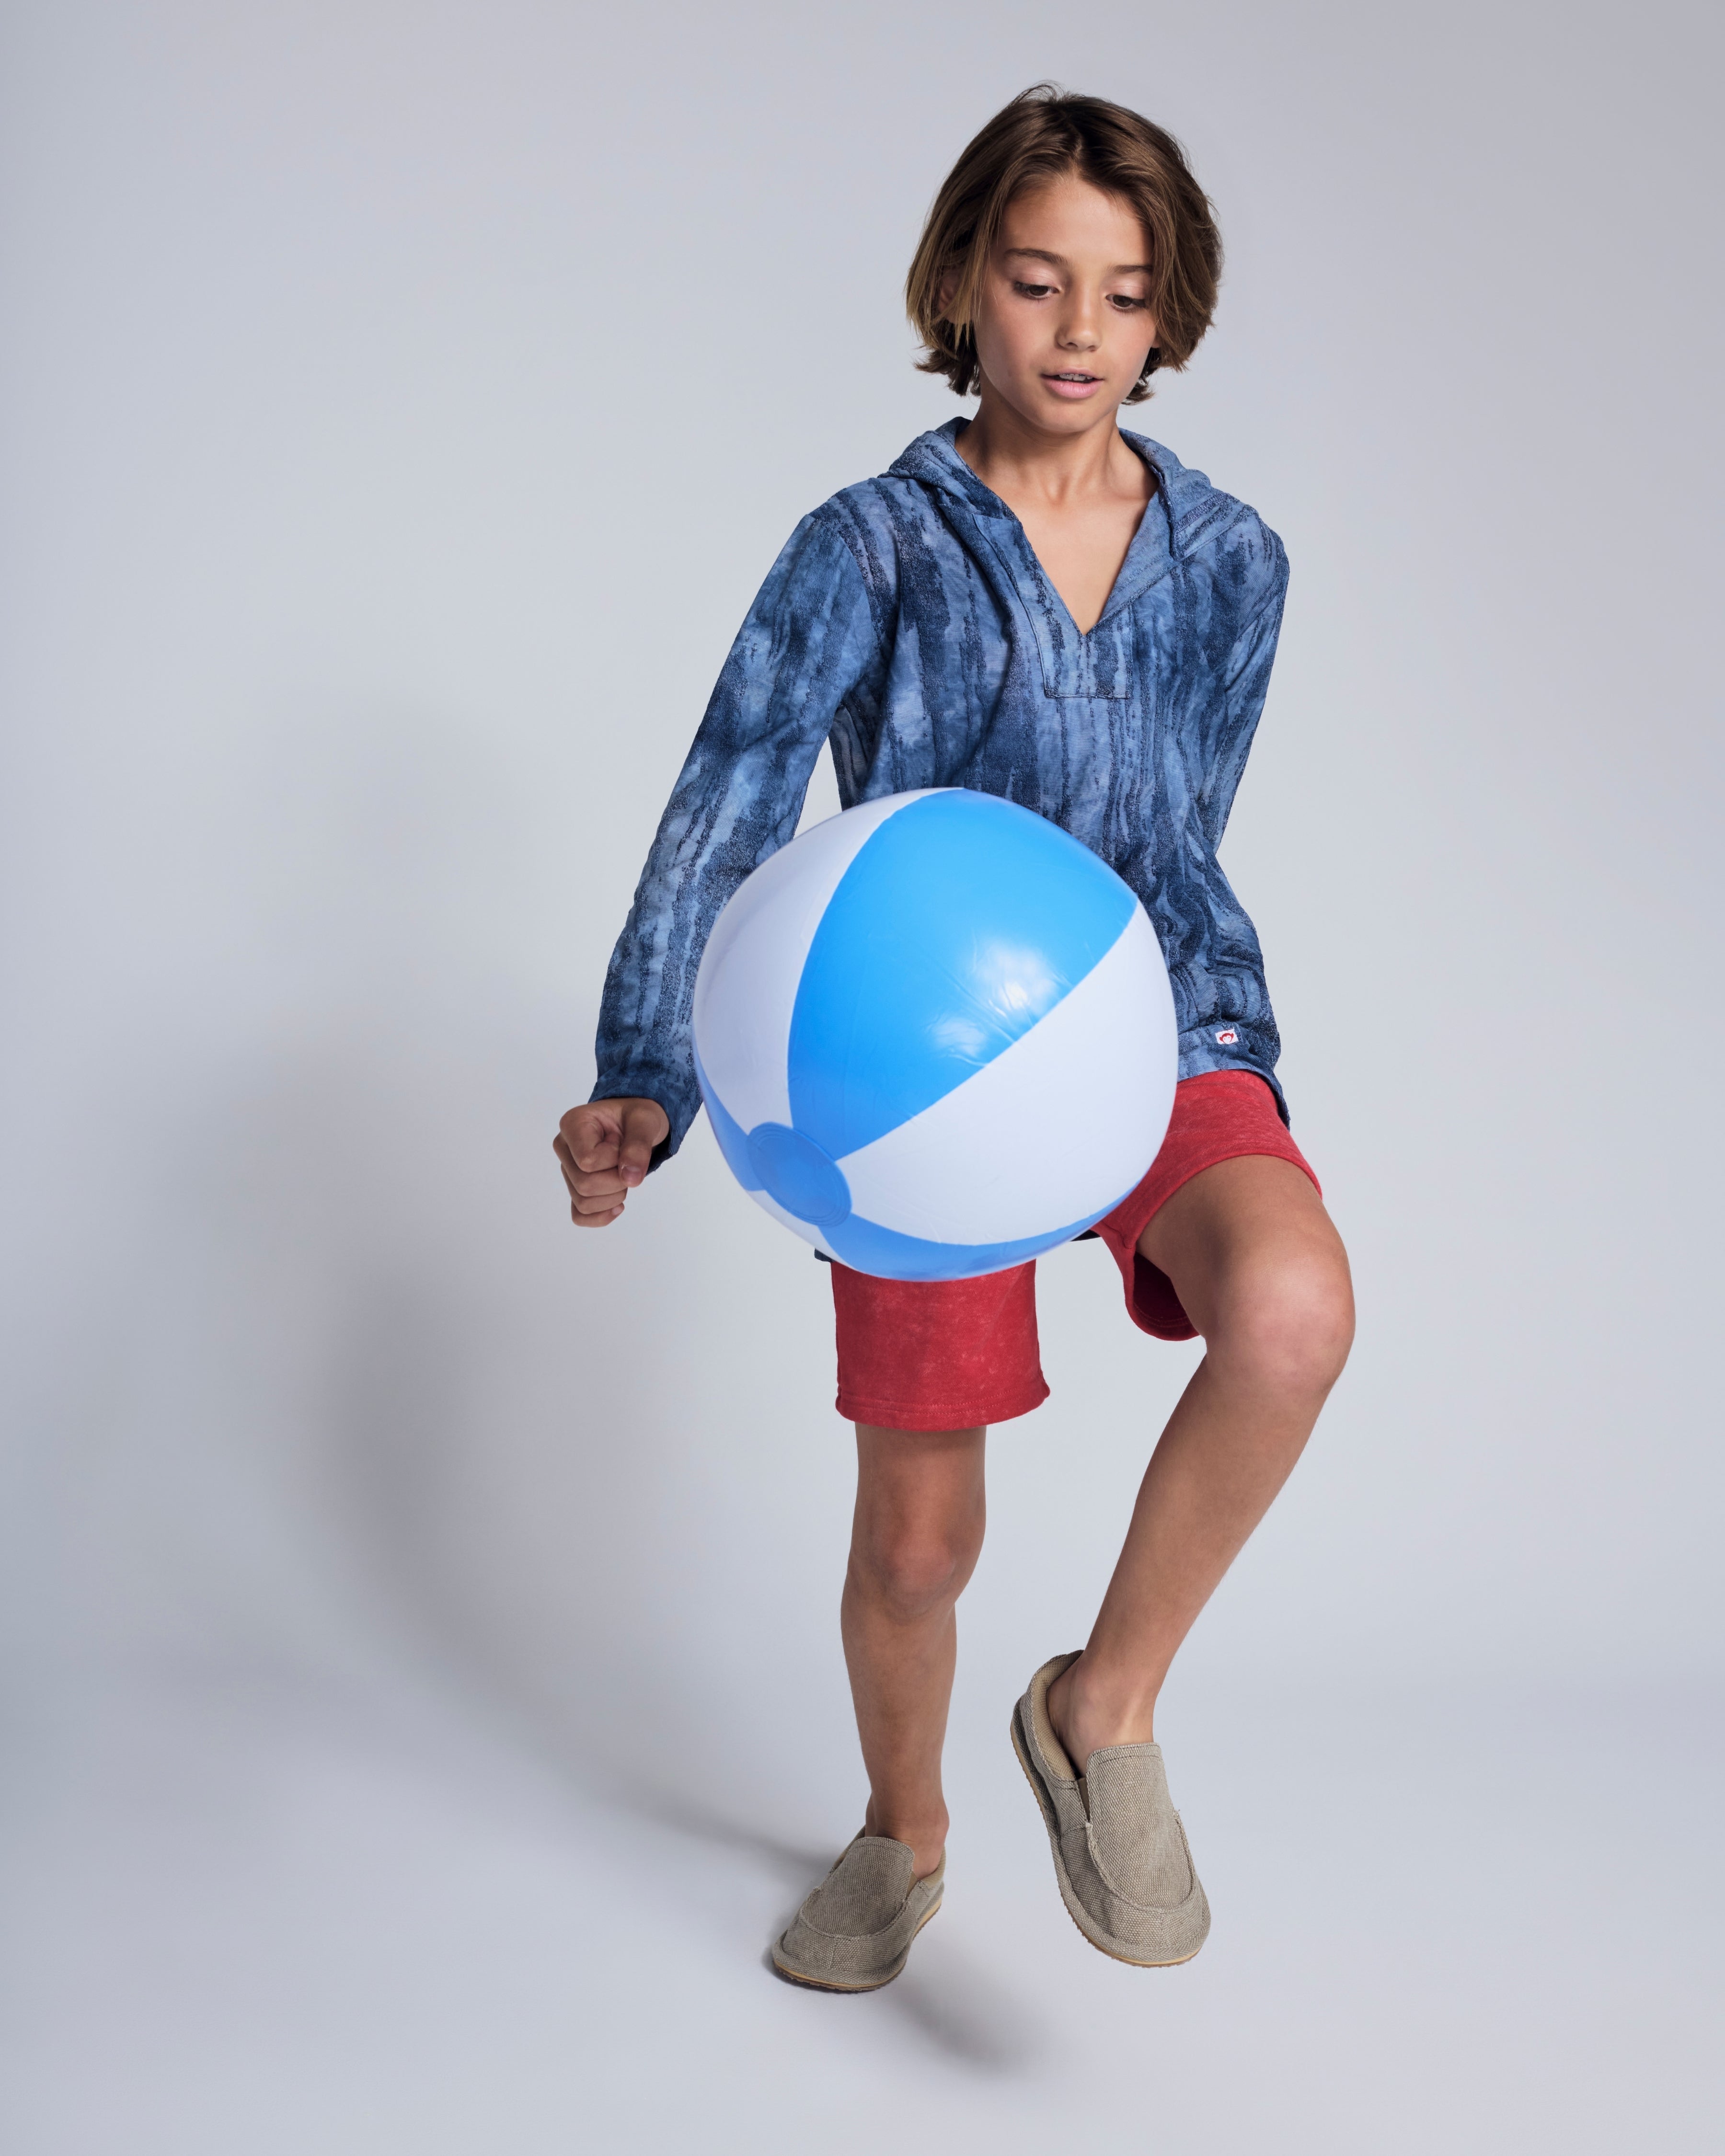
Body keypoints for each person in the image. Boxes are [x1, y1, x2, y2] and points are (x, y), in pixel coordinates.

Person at [555, 84, 1354, 1988]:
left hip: (1159, 1018)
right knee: (918, 1550)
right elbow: (732, 797)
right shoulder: (867, 546)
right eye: (1037, 279)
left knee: (1293, 1311)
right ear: (963, 285)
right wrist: (644, 1072)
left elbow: (1187, 822)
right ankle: (901, 1830)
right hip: (912, 1072)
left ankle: (1101, 1705)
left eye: (1128, 293)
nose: (1082, 331)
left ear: (1169, 315)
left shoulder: (1236, 562)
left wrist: (1143, 1026)